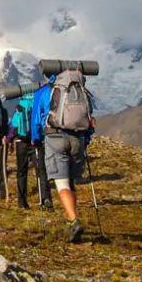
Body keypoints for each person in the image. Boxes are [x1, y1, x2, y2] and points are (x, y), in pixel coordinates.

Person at [30, 70, 94, 242]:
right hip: (77, 139)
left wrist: (35, 140)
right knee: (71, 183)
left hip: (54, 138)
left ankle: (73, 220)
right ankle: (70, 218)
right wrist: (85, 140)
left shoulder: (44, 91)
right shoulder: (80, 90)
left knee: (62, 184)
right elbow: (89, 118)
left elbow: (37, 118)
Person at [6, 92, 52, 210]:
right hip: (37, 143)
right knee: (41, 171)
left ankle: (22, 202)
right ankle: (45, 199)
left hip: (22, 143)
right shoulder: (37, 103)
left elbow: (14, 125)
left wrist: (9, 139)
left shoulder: (20, 105)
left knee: (21, 172)